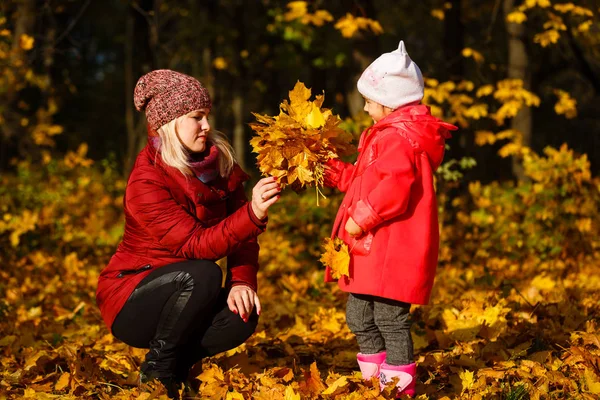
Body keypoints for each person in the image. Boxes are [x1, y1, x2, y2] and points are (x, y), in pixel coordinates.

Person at [95, 69, 280, 399]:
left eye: (206, 116)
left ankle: (178, 366)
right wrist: (252, 213)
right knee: (203, 274)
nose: (206, 126)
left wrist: (242, 281)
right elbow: (196, 246)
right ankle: (158, 369)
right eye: (196, 117)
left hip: (190, 286)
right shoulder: (147, 180)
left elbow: (245, 237)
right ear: (170, 122)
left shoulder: (220, 164)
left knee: (242, 315)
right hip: (132, 295)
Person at [323, 41, 457, 397]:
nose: (365, 107)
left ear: (389, 102)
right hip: (373, 249)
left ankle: (397, 388)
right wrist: (333, 171)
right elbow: (364, 181)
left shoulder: (398, 139)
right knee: (359, 316)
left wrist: (361, 218)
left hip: (392, 247)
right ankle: (375, 381)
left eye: (369, 100)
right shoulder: (385, 136)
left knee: (389, 318)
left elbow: (395, 188)